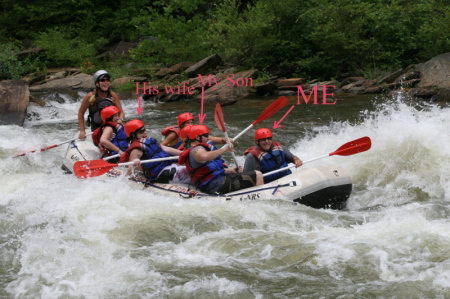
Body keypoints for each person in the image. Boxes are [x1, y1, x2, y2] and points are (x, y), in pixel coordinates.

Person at [178, 124, 263, 195]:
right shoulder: (196, 150)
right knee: (258, 174)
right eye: (206, 136)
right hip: (217, 185)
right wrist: (224, 149)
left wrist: (230, 170)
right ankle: (261, 198)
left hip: (214, 184)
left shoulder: (198, 148)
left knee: (242, 174)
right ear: (197, 137)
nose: (208, 138)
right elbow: (204, 157)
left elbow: (210, 171)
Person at [120, 119, 184, 183]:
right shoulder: (136, 150)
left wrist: (183, 153)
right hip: (160, 174)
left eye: (144, 130)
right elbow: (130, 171)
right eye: (141, 131)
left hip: (168, 166)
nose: (145, 132)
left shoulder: (148, 140)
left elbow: (165, 148)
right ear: (133, 135)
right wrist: (133, 164)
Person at [77, 70, 125, 139]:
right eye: (102, 80)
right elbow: (81, 113)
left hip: (112, 128)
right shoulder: (90, 96)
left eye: (107, 80)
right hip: (98, 130)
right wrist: (82, 130)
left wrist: (121, 119)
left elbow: (121, 112)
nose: (105, 82)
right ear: (97, 83)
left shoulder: (113, 95)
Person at [161, 112, 228, 148]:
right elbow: (162, 145)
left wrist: (226, 140)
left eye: (191, 122)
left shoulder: (195, 132)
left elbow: (210, 138)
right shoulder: (174, 133)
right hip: (174, 153)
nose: (190, 124)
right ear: (181, 125)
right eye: (187, 123)